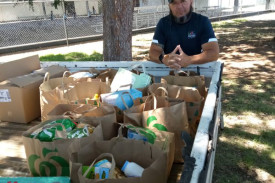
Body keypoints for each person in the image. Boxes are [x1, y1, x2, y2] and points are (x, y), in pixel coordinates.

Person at [149, 0, 219, 69]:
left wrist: (190, 59)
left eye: (183, 1)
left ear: (191, 1)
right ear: (169, 5)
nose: (179, 6)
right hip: (170, 72)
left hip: (196, 73)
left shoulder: (202, 21)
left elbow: (213, 53)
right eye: (174, 3)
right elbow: (153, 52)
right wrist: (164, 58)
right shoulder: (163, 23)